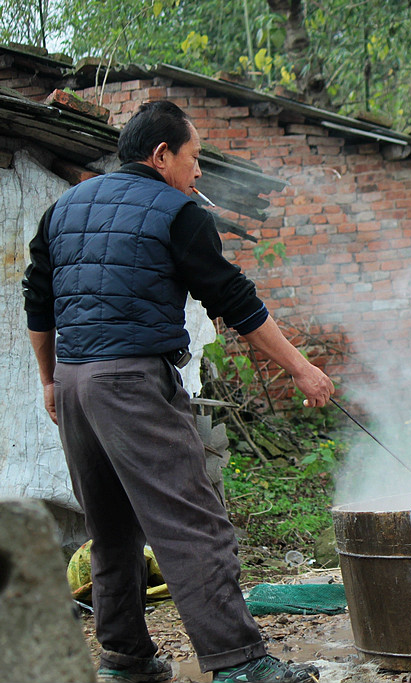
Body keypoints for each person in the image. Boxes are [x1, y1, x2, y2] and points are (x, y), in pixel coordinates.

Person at [23, 100, 333, 683]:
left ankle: (125, 659)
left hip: (73, 382)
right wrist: (301, 369)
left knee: (110, 530)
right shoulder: (178, 212)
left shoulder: (61, 209)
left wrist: (49, 381)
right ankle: (240, 663)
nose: (198, 175)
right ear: (161, 155)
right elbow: (234, 301)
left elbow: (38, 303)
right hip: (131, 383)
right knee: (191, 523)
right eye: (193, 160)